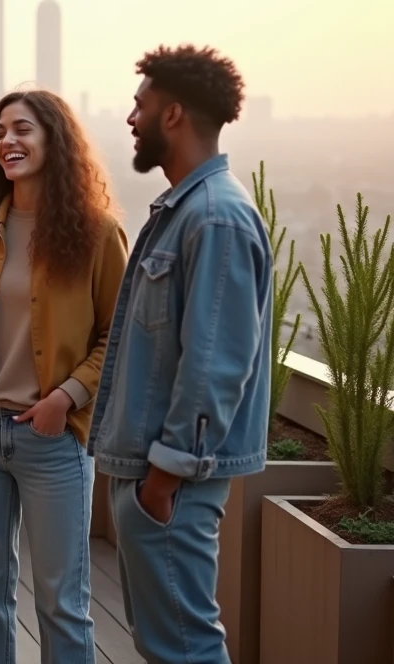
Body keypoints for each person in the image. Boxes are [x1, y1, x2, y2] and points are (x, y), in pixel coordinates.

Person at [87, 45, 271, 664]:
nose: (131, 119)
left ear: (173, 115)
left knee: (185, 649)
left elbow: (216, 366)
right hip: (151, 476)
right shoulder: (184, 211)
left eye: (139, 106)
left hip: (170, 483)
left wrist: (163, 481)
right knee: (166, 645)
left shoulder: (216, 218)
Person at [0, 90, 128, 664]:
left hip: (54, 440)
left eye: (22, 129)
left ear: (55, 140)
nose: (7, 142)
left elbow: (118, 339)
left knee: (61, 601)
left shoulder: (96, 233)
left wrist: (66, 398)